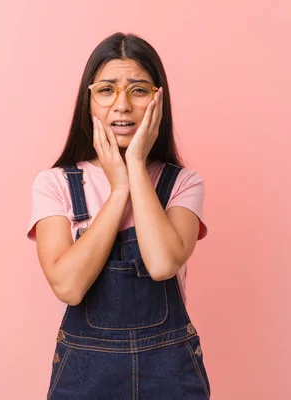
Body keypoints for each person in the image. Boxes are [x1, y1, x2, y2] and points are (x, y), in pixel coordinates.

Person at [27, 32, 211, 399]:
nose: (122, 105)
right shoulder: (55, 184)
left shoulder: (183, 183)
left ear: (159, 101)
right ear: (89, 102)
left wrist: (137, 166)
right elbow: (68, 286)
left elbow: (161, 264)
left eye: (139, 90)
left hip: (169, 373)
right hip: (85, 376)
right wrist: (119, 190)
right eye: (107, 90)